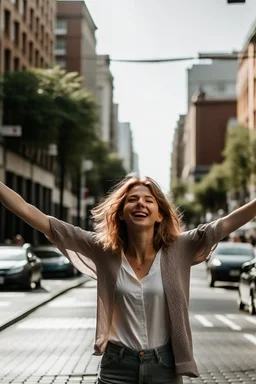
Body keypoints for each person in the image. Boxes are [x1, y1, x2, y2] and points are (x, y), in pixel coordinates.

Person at [0, 173, 256, 384]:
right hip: (116, 366)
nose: (140, 204)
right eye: (132, 199)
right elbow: (38, 218)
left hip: (165, 367)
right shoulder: (102, 249)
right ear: (120, 213)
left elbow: (227, 223)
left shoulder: (181, 247)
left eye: (148, 200)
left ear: (159, 214)